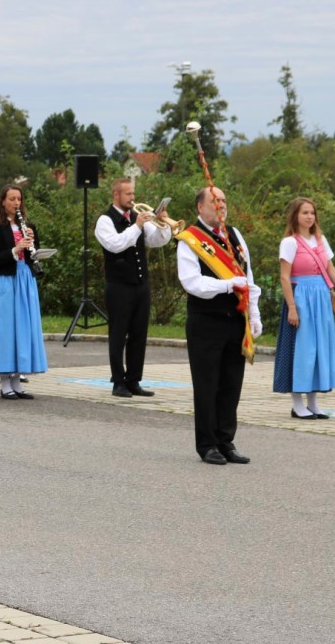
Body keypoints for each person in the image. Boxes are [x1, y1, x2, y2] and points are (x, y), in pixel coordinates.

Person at [176, 186, 262, 465]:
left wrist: (254, 313)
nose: (221, 205)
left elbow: (248, 278)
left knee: (231, 384)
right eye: (214, 201)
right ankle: (207, 444)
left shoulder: (234, 235)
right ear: (200, 207)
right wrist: (227, 285)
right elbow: (192, 282)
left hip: (235, 320)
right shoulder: (190, 239)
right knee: (207, 384)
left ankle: (226, 440)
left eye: (223, 200)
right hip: (206, 321)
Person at [273, 197, 335, 419]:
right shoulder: (289, 243)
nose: (309, 217)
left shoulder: (321, 240)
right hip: (301, 298)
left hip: (321, 298)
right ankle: (297, 403)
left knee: (318, 349)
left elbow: (332, 271)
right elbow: (284, 277)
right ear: (295, 216)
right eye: (304, 212)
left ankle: (312, 402)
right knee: (301, 350)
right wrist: (292, 307)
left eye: (312, 213)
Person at [95, 177, 172, 398]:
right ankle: (118, 382)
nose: (132, 198)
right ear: (116, 195)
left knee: (139, 334)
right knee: (118, 335)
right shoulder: (105, 220)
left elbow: (156, 241)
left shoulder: (137, 219)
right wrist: (137, 226)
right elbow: (115, 245)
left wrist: (164, 223)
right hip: (119, 286)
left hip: (141, 285)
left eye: (133, 193)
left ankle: (134, 380)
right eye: (128, 194)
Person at [0, 184, 46, 398]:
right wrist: (15, 250)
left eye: (19, 199)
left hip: (24, 279)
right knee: (6, 329)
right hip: (5, 281)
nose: (16, 203)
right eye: (12, 199)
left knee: (22, 328)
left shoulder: (28, 226)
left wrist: (34, 245)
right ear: (3, 201)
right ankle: (5, 382)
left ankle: (17, 381)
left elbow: (33, 256)